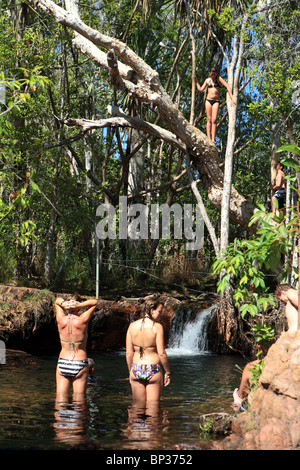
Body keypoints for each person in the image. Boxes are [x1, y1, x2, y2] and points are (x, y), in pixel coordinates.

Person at [126, 298, 171, 405]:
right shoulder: (157, 327)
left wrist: (130, 371)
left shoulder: (132, 326)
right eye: (159, 311)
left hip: (136, 368)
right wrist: (168, 372)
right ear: (152, 310)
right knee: (153, 409)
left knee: (137, 408)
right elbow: (161, 353)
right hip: (153, 368)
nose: (160, 315)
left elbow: (128, 353)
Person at [55, 295, 97, 399]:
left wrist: (64, 304)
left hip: (63, 362)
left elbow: (56, 301)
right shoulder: (82, 320)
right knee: (79, 400)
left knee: (60, 399)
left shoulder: (60, 320)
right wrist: (80, 305)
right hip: (79, 361)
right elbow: (95, 302)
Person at [195, 67, 236, 143]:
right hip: (208, 101)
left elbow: (227, 86)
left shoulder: (219, 79)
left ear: (216, 74)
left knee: (214, 120)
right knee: (209, 119)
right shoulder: (207, 80)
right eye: (211, 74)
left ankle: (213, 139)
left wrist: (232, 98)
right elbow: (200, 90)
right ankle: (208, 137)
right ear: (210, 73)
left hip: (216, 101)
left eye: (214, 74)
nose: (213, 75)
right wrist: (196, 82)